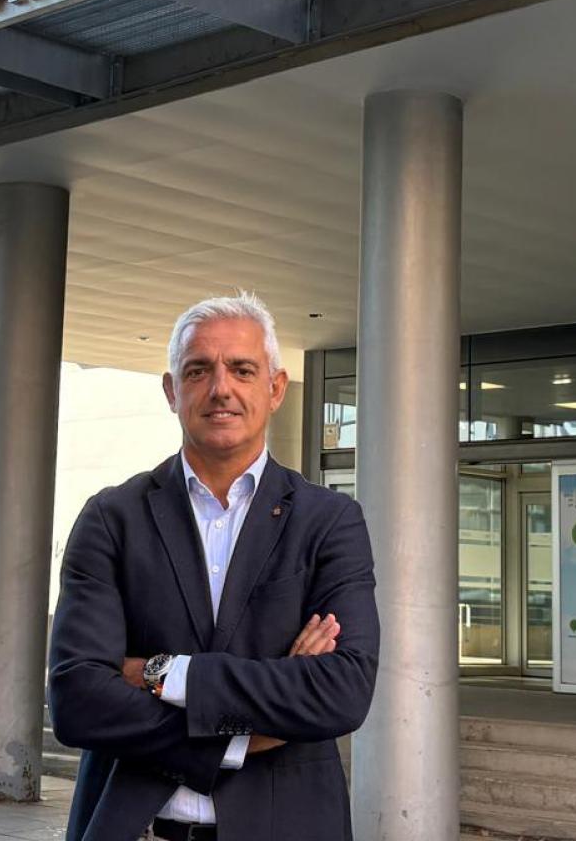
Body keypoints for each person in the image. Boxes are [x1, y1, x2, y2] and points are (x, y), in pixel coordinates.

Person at [48, 293, 380, 841]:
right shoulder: (112, 517)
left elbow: (341, 690)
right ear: (171, 390)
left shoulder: (330, 522)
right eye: (198, 370)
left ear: (275, 388)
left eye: (242, 370)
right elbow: (77, 699)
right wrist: (238, 739)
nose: (220, 388)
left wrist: (158, 672)